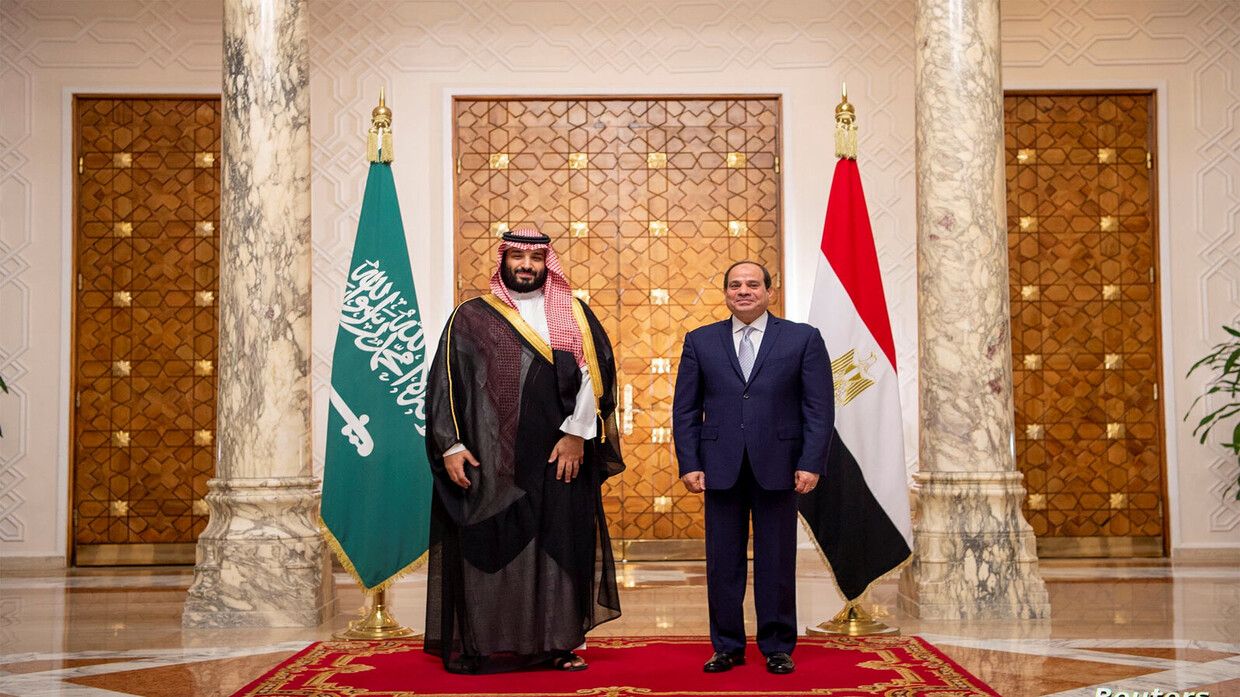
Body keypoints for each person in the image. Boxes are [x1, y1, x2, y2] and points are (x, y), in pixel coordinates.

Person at [423, 228, 624, 674]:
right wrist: (451, 444)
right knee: (489, 542)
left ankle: (557, 643)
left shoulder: (573, 313)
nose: (526, 266)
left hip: (560, 455)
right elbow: (445, 382)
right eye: (517, 256)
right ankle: (485, 641)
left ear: (547, 263)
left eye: (535, 258)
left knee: (559, 544)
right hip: (492, 458)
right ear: (503, 261)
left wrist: (577, 435)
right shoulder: (471, 316)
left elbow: (596, 377)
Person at [672, 260, 834, 675]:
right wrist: (689, 462)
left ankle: (777, 646)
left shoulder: (803, 338)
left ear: (769, 291)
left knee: (776, 561)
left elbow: (818, 408)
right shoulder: (700, 340)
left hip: (780, 465)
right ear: (726, 293)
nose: (743, 291)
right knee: (722, 563)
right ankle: (726, 647)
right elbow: (685, 409)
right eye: (735, 285)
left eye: (752, 284)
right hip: (719, 466)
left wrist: (811, 462)